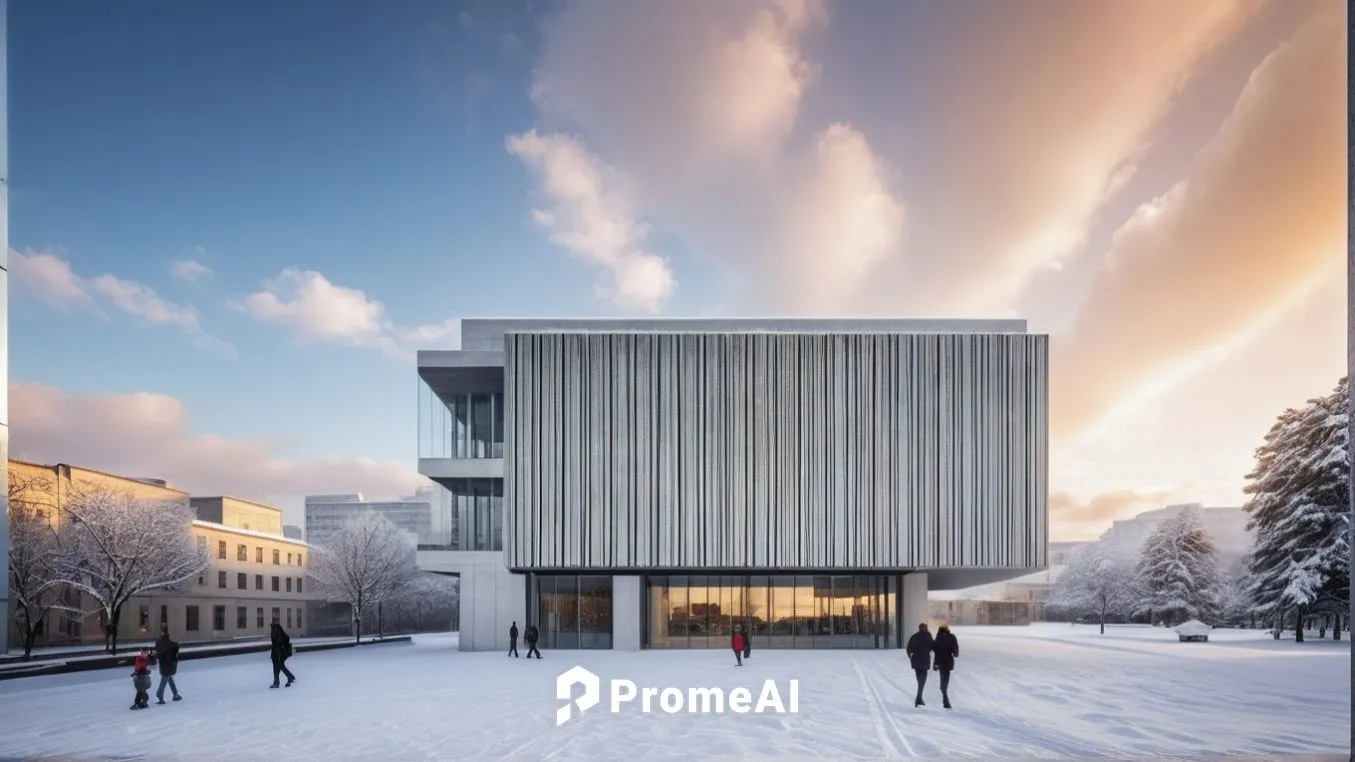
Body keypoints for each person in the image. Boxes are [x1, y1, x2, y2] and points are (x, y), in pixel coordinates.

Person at [905, 622, 935, 707]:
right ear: (925, 628)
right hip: (925, 660)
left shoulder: (914, 636)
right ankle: (918, 699)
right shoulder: (928, 636)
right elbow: (932, 646)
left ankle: (919, 698)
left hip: (916, 661)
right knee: (922, 681)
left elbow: (908, 648)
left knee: (920, 680)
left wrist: (910, 656)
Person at [154, 623, 182, 704]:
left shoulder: (159, 641)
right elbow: (175, 650)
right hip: (171, 663)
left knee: (166, 679)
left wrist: (156, 656)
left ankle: (162, 696)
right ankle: (173, 695)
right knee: (168, 678)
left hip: (164, 663)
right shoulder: (170, 642)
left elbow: (159, 652)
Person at [932, 624, 959, 709]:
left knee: (943, 678)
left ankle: (944, 694)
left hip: (939, 661)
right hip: (948, 661)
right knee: (946, 679)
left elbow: (934, 649)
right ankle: (945, 697)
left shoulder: (938, 637)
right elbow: (955, 650)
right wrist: (954, 653)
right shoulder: (952, 637)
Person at [269, 620, 296, 689]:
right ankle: (276, 682)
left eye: (272, 625)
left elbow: (285, 639)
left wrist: (281, 646)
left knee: (280, 665)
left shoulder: (278, 631)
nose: (271, 627)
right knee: (276, 666)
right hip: (275, 652)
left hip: (280, 652)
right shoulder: (274, 632)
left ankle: (290, 677)